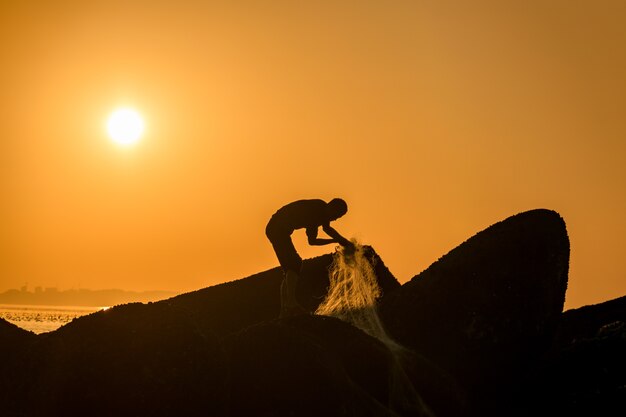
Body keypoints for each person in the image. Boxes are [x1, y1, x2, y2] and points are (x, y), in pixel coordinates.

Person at [265, 198, 355, 317]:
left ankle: (285, 309)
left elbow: (313, 241)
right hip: (276, 228)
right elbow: (326, 230)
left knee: (289, 269)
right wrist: (341, 241)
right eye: (337, 215)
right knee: (294, 263)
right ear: (331, 208)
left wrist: (337, 240)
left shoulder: (321, 213)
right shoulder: (317, 209)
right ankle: (291, 305)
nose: (336, 219)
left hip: (278, 229)